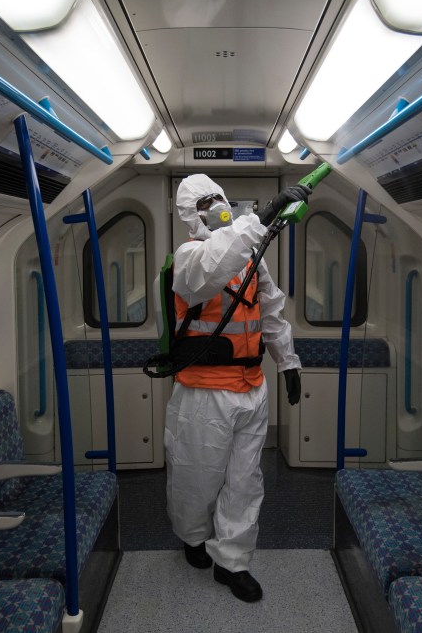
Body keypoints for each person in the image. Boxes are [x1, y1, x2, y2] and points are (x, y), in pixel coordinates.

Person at [165, 174, 307, 602]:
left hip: (251, 387)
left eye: (219, 198)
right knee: (198, 477)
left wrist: (288, 362)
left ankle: (233, 561)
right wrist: (259, 219)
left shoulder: (251, 255)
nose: (216, 206)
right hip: (204, 393)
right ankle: (192, 537)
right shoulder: (188, 258)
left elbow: (272, 310)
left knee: (245, 481)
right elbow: (213, 266)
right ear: (191, 215)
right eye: (205, 202)